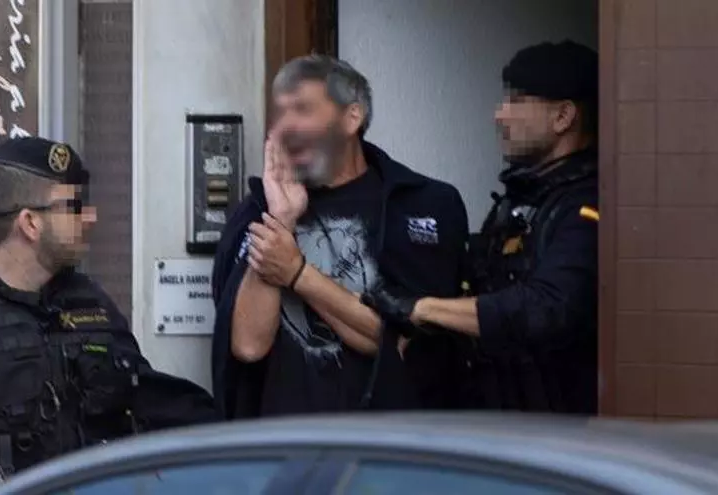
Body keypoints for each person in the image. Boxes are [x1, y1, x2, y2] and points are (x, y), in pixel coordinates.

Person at [0, 137, 216, 473]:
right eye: (74, 207)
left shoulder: (88, 302)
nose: (90, 217)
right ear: (30, 223)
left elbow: (150, 400)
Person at [211, 55, 471, 418]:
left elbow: (400, 342)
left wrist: (298, 274)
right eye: (280, 113)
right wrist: (281, 219)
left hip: (388, 440)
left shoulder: (422, 204)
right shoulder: (257, 210)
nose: (286, 125)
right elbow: (248, 347)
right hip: (284, 440)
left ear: (352, 117)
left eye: (303, 109)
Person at [365, 40, 600, 414]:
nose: (499, 116)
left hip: (560, 429)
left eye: (516, 102)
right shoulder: (521, 200)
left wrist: (423, 309)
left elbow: (549, 306)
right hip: (499, 418)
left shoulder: (586, 206)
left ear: (563, 116)